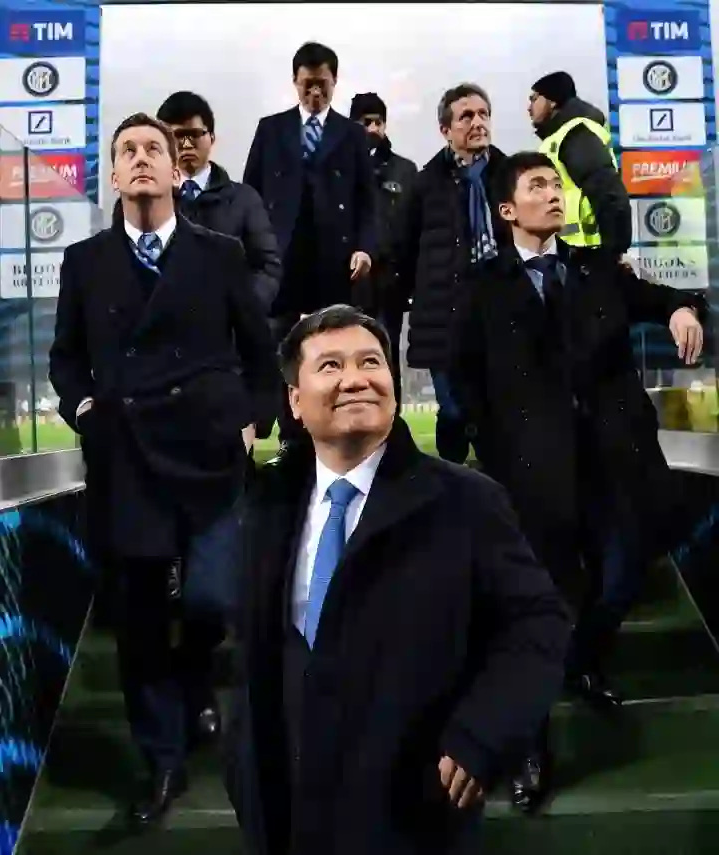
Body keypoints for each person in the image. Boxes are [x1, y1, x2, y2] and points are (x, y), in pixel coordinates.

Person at [224, 304, 571, 855]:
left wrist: (482, 733)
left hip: (411, 816)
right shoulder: (266, 506)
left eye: (371, 362)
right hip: (287, 814)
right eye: (331, 365)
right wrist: (242, 766)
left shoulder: (467, 501)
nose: (356, 379)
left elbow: (538, 624)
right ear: (295, 400)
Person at [448, 151, 704, 812]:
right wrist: (495, 446)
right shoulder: (480, 286)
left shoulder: (597, 268)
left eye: (556, 184)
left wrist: (682, 309)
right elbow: (463, 377)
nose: (554, 193)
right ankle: (530, 747)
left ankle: (584, 661)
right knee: (544, 608)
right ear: (507, 209)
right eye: (537, 185)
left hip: (616, 465)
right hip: (534, 476)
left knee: (619, 577)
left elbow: (664, 299)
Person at [49, 113, 280, 825]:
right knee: (142, 620)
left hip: (210, 453)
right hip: (126, 458)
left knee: (212, 597)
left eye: (154, 148)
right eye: (129, 150)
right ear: (114, 175)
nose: (143, 157)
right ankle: (163, 759)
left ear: (176, 172)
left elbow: (259, 350)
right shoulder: (84, 262)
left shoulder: (219, 254)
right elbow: (65, 357)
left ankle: (194, 677)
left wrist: (253, 420)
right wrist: (84, 408)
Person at [243, 41, 376, 454]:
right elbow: (250, 194)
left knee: (329, 344)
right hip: (280, 257)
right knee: (283, 346)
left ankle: (332, 432)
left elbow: (368, 201)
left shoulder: (352, 135)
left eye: (322, 83)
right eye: (307, 84)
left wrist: (365, 248)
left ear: (334, 82)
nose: (315, 92)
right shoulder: (271, 129)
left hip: (333, 260)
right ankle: (290, 436)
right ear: (295, 82)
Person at [392, 83, 506, 463]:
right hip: (443, 317)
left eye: (483, 114)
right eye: (466, 116)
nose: (478, 123)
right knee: (454, 410)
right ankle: (449, 477)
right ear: (446, 130)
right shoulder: (424, 184)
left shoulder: (510, 175)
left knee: (494, 412)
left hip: (498, 313)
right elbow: (402, 249)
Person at [156, 90, 281, 312]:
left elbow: (268, 267)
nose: (186, 144)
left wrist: (241, 310)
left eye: (195, 134)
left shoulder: (245, 200)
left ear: (211, 138)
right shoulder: (148, 201)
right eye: (177, 136)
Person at [349, 91, 417, 405]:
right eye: (366, 122)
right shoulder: (335, 171)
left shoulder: (405, 171)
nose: (374, 128)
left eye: (379, 122)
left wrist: (412, 283)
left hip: (390, 286)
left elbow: (414, 231)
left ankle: (391, 426)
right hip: (347, 285)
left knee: (386, 360)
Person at [529, 71, 632, 256]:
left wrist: (612, 253)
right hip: (571, 256)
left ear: (552, 101)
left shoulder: (575, 134)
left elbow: (608, 192)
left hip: (588, 256)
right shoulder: (558, 138)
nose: (529, 108)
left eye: (534, 99)